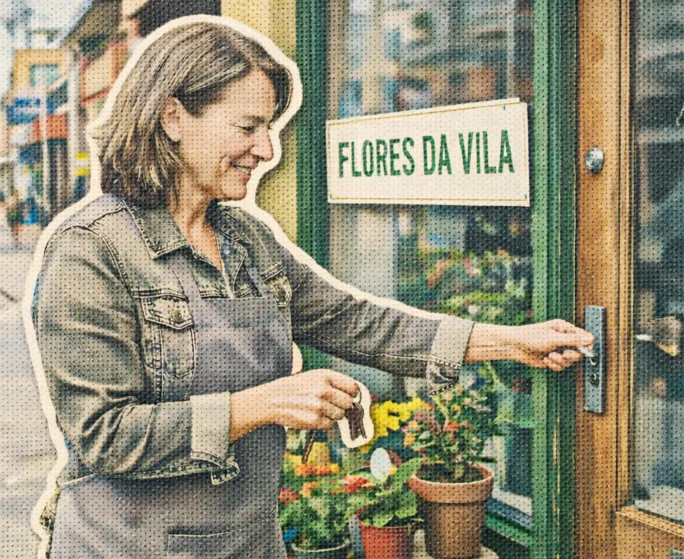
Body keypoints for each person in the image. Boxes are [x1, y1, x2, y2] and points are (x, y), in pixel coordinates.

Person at [32, 19, 593, 559]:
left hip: (249, 544)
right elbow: (103, 435)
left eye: (269, 129)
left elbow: (354, 321)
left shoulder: (246, 240)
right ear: (174, 117)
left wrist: (509, 342)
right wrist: (263, 404)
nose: (267, 150)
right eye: (248, 127)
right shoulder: (91, 249)